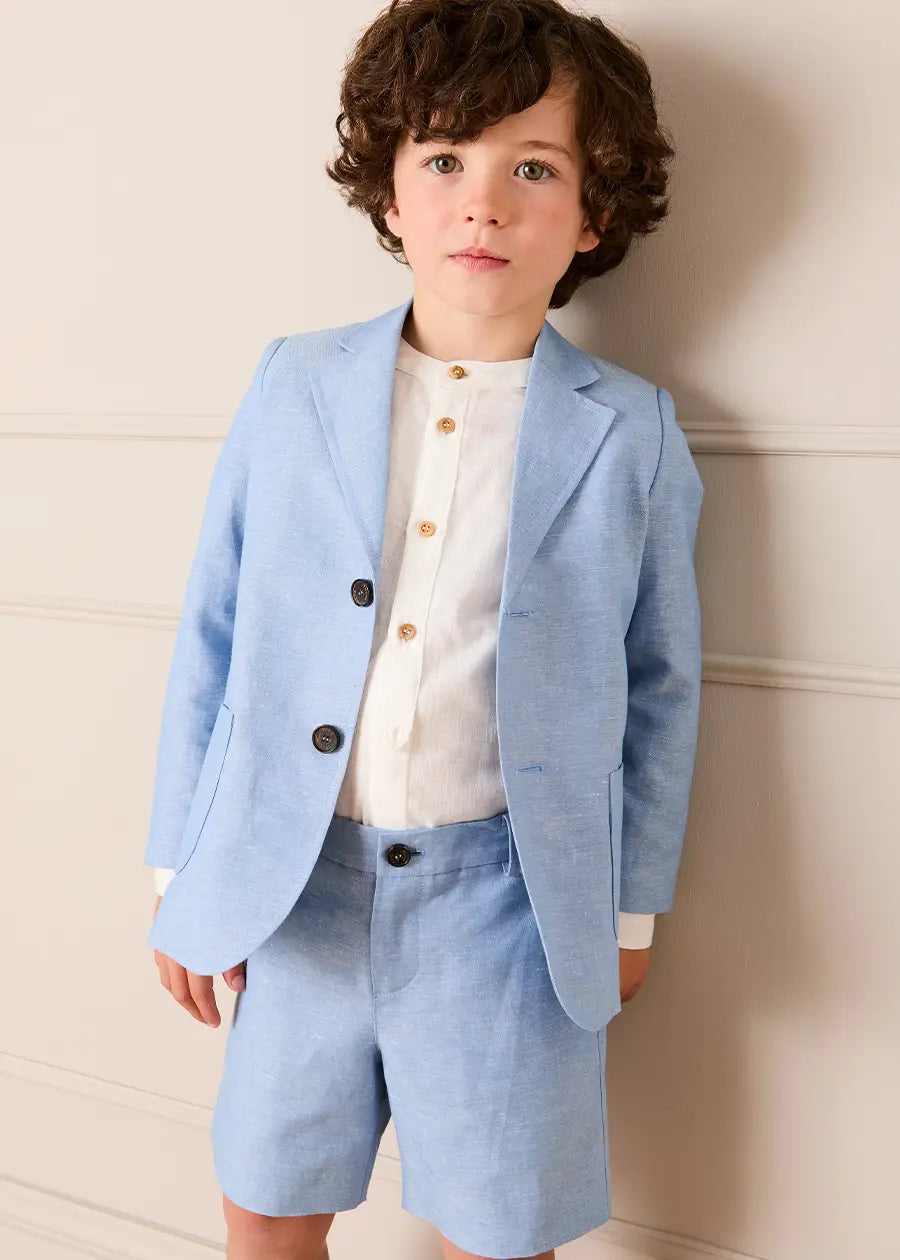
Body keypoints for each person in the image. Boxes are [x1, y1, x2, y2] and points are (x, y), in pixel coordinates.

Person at [144, 2, 704, 1257]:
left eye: (534, 169)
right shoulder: (294, 384)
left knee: (501, 1227)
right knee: (268, 1205)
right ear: (391, 196)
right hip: (295, 888)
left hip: (512, 908)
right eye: (445, 159)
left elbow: (660, 688)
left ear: (594, 213)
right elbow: (216, 628)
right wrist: (183, 870)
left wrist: (631, 913)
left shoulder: (633, 433)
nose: (483, 205)